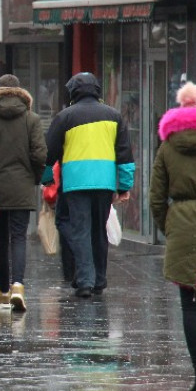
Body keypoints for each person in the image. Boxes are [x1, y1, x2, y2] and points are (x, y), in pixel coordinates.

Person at [43, 72, 135, 298]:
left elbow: (48, 152)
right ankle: (99, 279)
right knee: (98, 230)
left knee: (80, 230)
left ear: (73, 92)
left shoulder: (65, 117)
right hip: (104, 183)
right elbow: (125, 153)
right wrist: (124, 186)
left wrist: (46, 177)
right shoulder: (114, 116)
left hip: (76, 183)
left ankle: (85, 281)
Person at [150, 82, 196, 391]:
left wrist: (170, 228)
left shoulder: (168, 147)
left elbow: (156, 199)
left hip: (183, 227)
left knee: (191, 308)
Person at [0, 74, 46, 312]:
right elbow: (39, 154)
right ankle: (18, 285)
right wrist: (34, 177)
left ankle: (3, 290)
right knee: (19, 237)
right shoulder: (32, 119)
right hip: (22, 185)